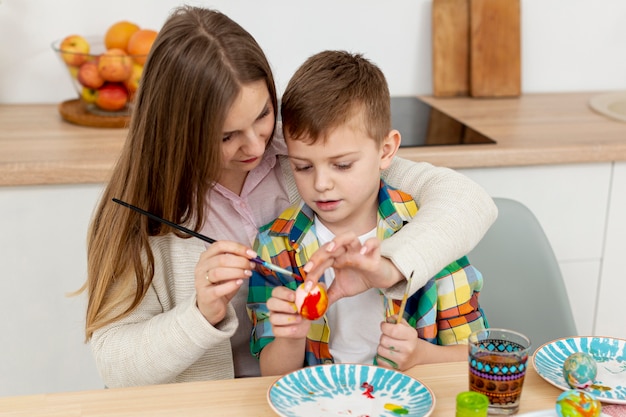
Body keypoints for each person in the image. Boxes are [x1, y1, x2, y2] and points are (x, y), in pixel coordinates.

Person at [83, 6, 496, 387]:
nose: (255, 145)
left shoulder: (302, 151)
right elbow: (116, 366)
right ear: (181, 132)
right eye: (227, 135)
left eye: (263, 114)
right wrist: (200, 314)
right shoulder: (144, 211)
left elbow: (467, 201)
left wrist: (390, 266)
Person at [247, 50, 487, 376]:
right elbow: (271, 375)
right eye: (302, 166)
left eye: (342, 165)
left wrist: (419, 355)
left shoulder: (428, 233)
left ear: (385, 151)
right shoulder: (274, 245)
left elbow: (479, 355)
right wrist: (291, 337)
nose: (321, 184)